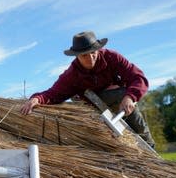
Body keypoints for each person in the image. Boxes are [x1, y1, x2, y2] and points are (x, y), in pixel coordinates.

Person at [20, 31, 155, 147]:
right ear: (76, 56)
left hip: (121, 101)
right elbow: (54, 93)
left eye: (93, 52)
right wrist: (37, 99)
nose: (91, 58)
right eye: (84, 55)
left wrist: (130, 97)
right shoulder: (72, 74)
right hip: (93, 107)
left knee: (123, 95)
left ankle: (150, 147)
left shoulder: (112, 57)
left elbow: (138, 77)